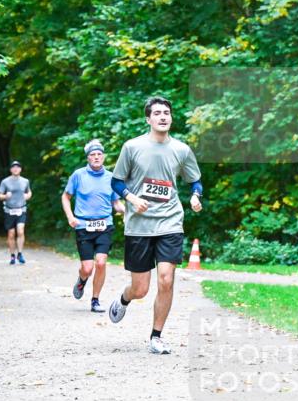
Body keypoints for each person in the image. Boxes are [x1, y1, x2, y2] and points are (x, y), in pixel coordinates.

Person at [108, 96, 203, 354]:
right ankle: (124, 298)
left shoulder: (182, 150)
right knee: (140, 289)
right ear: (148, 119)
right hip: (139, 225)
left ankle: (156, 336)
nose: (163, 116)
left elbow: (195, 181)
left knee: (166, 280)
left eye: (167, 113)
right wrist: (131, 198)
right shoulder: (132, 147)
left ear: (171, 117)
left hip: (170, 221)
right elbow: (116, 182)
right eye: (158, 113)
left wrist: (196, 196)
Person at [61, 139, 125, 313]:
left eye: (99, 154)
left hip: (105, 225)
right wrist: (70, 216)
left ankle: (95, 300)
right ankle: (82, 280)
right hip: (83, 226)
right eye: (92, 155)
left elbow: (116, 203)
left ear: (103, 157)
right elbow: (65, 197)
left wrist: (126, 212)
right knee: (87, 268)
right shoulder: (78, 175)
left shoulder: (111, 178)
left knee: (101, 263)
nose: (96, 157)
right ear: (88, 158)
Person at [0, 160, 32, 265]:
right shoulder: (5, 182)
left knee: (20, 231)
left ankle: (20, 253)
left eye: (17, 167)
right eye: (13, 167)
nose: (15, 169)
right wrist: (5, 196)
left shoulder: (25, 181)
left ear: (20, 169)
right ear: (11, 169)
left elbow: (29, 192)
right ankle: (12, 255)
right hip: (9, 210)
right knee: (11, 234)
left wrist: (28, 196)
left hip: (21, 209)